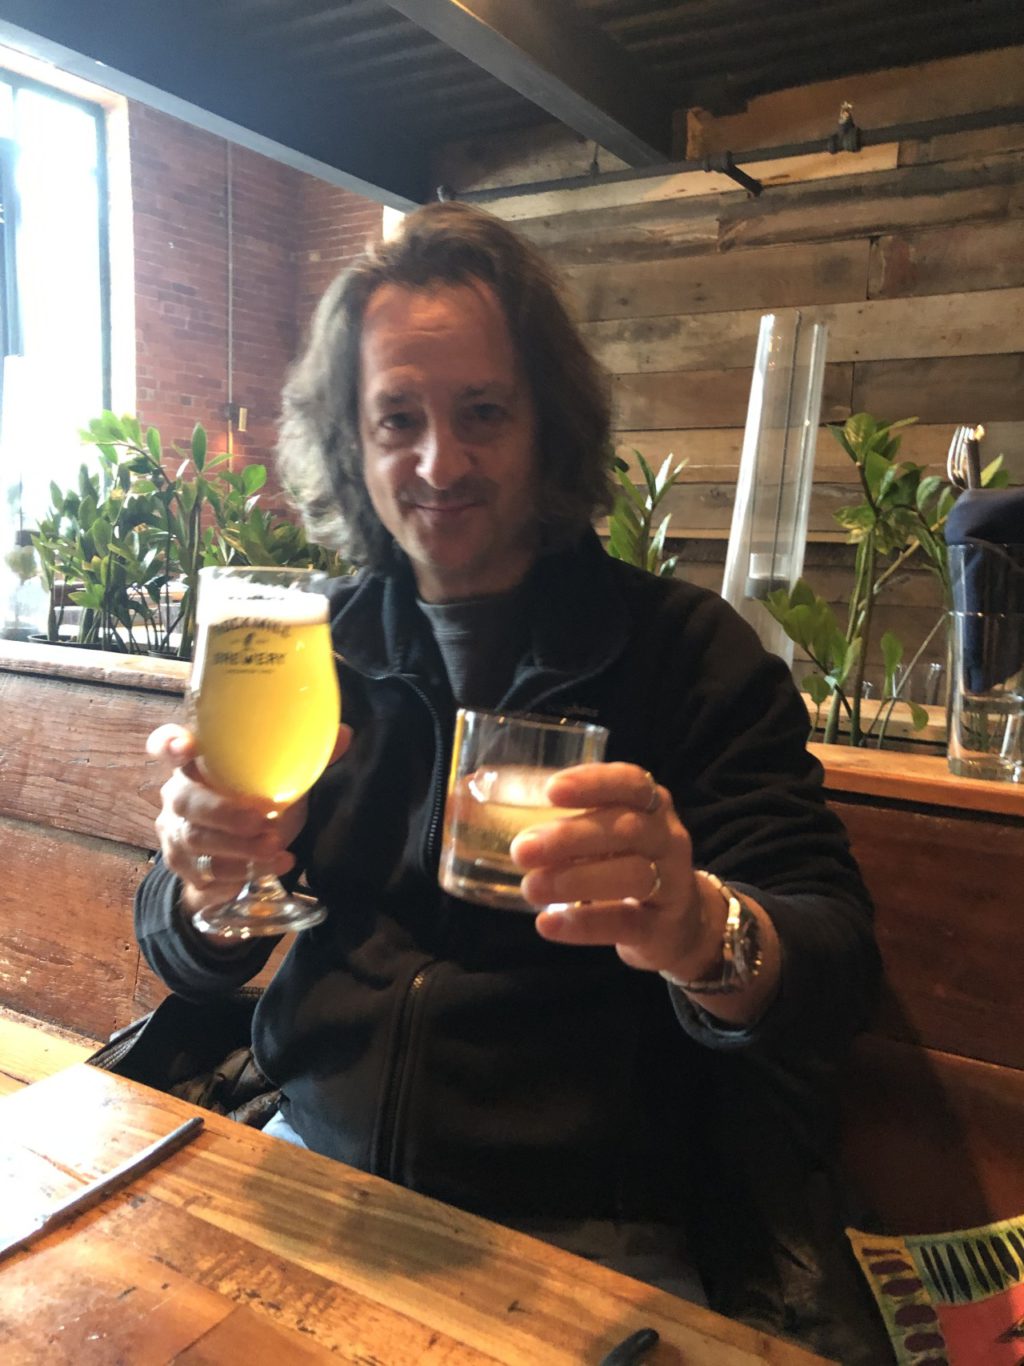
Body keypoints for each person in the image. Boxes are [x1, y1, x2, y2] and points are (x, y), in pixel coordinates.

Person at [138, 202, 889, 1361]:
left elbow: (833, 960)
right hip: (308, 1164)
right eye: (398, 419)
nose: (439, 462)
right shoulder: (308, 646)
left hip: (589, 1233)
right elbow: (181, 941)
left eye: (482, 412)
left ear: (549, 427)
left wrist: (701, 928)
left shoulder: (686, 655)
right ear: (352, 443)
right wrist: (202, 884)